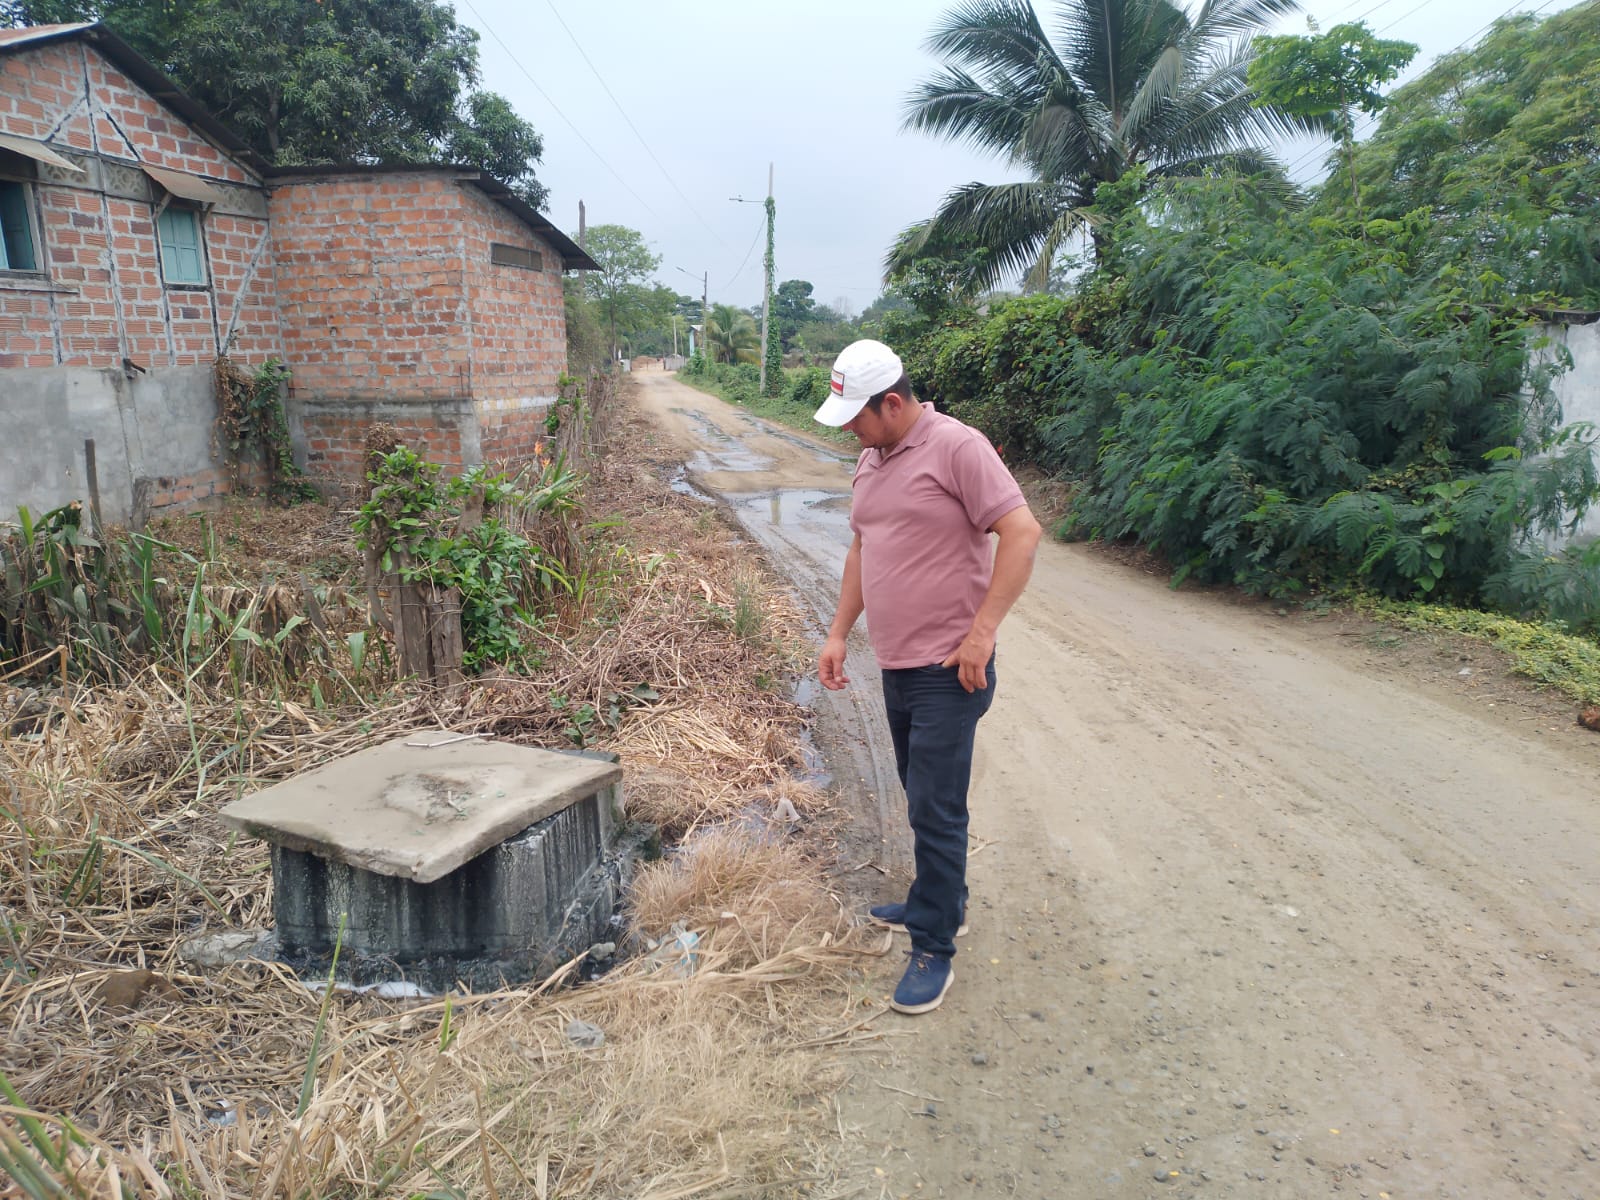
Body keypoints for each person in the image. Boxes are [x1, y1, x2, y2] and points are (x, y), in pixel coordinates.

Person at [815, 339, 1041, 1014]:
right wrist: (838, 632)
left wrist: (982, 632)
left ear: (893, 402)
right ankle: (943, 901)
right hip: (896, 662)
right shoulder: (872, 457)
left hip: (949, 667)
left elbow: (1022, 532)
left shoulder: (957, 447)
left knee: (935, 807)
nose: (850, 430)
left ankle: (934, 945)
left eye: (857, 417)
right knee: (920, 791)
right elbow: (864, 546)